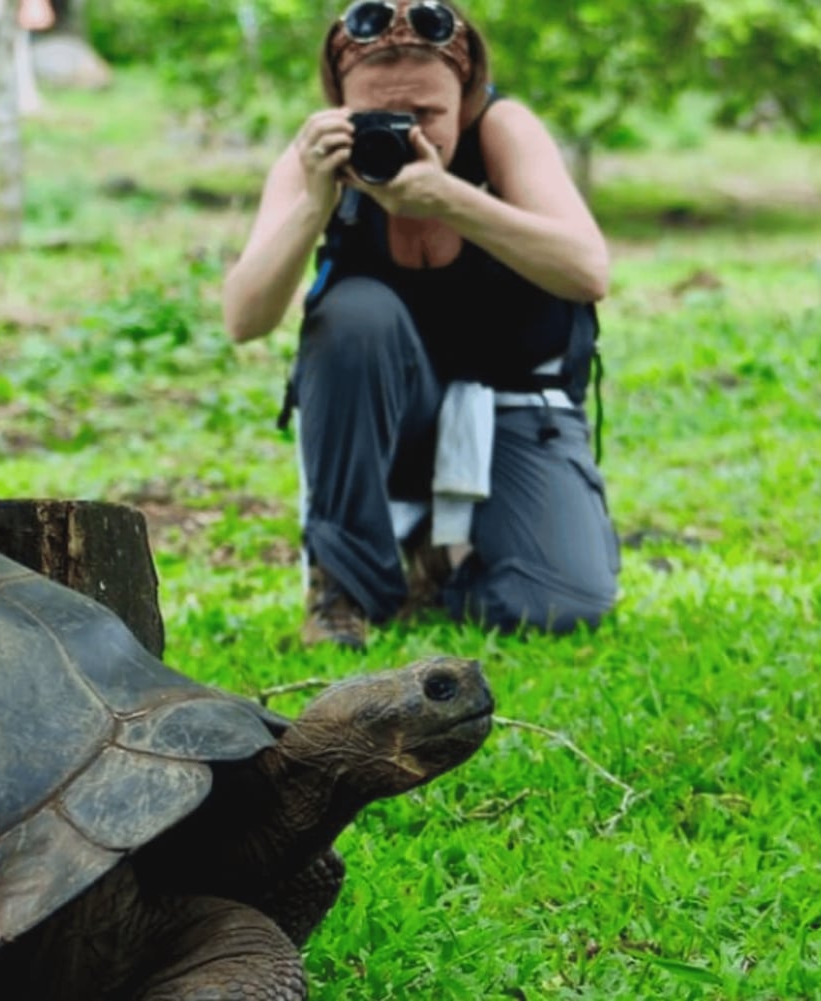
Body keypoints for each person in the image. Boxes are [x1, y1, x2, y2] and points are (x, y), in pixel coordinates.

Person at [223, 0, 620, 649]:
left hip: (520, 405)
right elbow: (244, 318)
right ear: (340, 105)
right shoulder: (320, 154)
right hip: (390, 414)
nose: (408, 132)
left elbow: (588, 271)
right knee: (353, 315)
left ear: (467, 99)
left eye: (428, 114)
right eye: (378, 114)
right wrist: (314, 204)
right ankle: (347, 588)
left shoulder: (504, 129)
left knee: (557, 607)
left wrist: (452, 200)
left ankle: (441, 565)